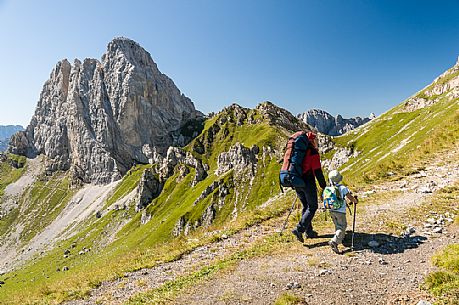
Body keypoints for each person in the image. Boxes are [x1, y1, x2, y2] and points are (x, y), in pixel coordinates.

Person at [291, 131, 327, 243]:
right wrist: (324, 186)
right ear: (312, 141)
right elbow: (317, 171)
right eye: (315, 140)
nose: (317, 142)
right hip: (308, 182)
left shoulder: (298, 152)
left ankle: (309, 232)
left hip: (297, 182)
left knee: (306, 206)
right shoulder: (313, 153)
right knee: (312, 207)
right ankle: (299, 229)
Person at [327, 170, 359, 254]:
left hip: (331, 210)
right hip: (340, 211)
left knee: (337, 225)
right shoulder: (342, 188)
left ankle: (340, 237)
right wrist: (355, 201)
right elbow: (350, 197)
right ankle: (334, 241)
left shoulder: (329, 188)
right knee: (342, 226)